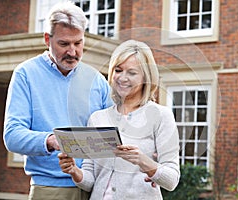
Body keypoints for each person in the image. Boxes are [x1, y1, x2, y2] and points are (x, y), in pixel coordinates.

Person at [3, 2, 112, 200]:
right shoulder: (26, 74)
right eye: (64, 44)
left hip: (96, 187)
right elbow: (12, 136)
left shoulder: (96, 79)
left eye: (78, 43)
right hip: (50, 189)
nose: (72, 52)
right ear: (47, 39)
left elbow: (117, 128)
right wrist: (51, 141)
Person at [58, 39, 180, 199]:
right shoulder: (97, 118)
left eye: (132, 72)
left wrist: (143, 161)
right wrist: (74, 171)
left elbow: (171, 180)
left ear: (146, 77)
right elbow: (90, 180)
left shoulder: (161, 116)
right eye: (118, 70)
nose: (122, 78)